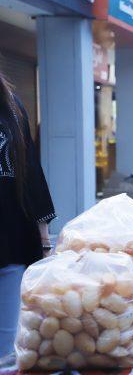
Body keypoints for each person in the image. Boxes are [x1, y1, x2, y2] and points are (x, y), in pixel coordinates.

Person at [0, 71, 55, 361]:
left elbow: (30, 171)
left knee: (7, 350)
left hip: (11, 242)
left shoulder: (11, 106)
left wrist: (44, 240)